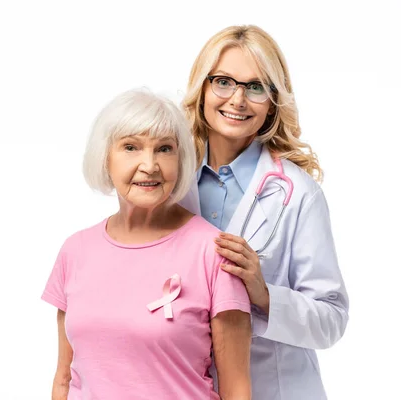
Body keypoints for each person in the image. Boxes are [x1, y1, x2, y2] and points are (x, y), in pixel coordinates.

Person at [41, 89, 252, 400]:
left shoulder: (213, 252)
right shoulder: (75, 251)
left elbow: (236, 389)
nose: (150, 165)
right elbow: (64, 378)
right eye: (131, 147)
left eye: (164, 149)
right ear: (105, 157)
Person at [179, 25, 350, 400]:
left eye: (256, 87)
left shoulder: (297, 194)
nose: (238, 100)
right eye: (224, 81)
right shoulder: (172, 183)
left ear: (273, 101)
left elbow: (332, 320)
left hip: (275, 389)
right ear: (202, 88)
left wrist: (263, 293)